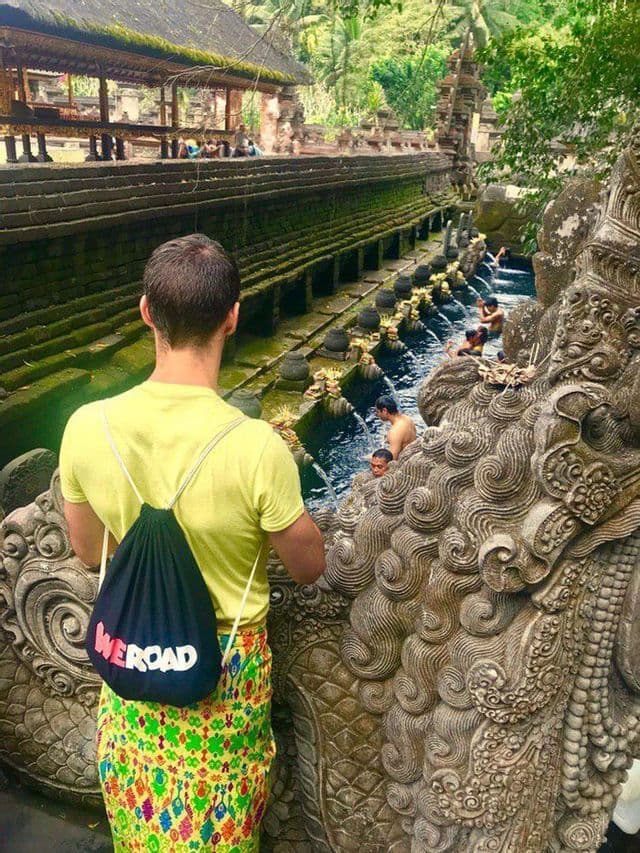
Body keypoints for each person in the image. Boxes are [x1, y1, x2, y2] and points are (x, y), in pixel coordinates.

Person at [59, 234, 325, 851]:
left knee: (140, 823)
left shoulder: (86, 427)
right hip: (224, 677)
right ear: (232, 317)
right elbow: (308, 566)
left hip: (134, 663)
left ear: (146, 312)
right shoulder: (257, 447)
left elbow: (89, 550)